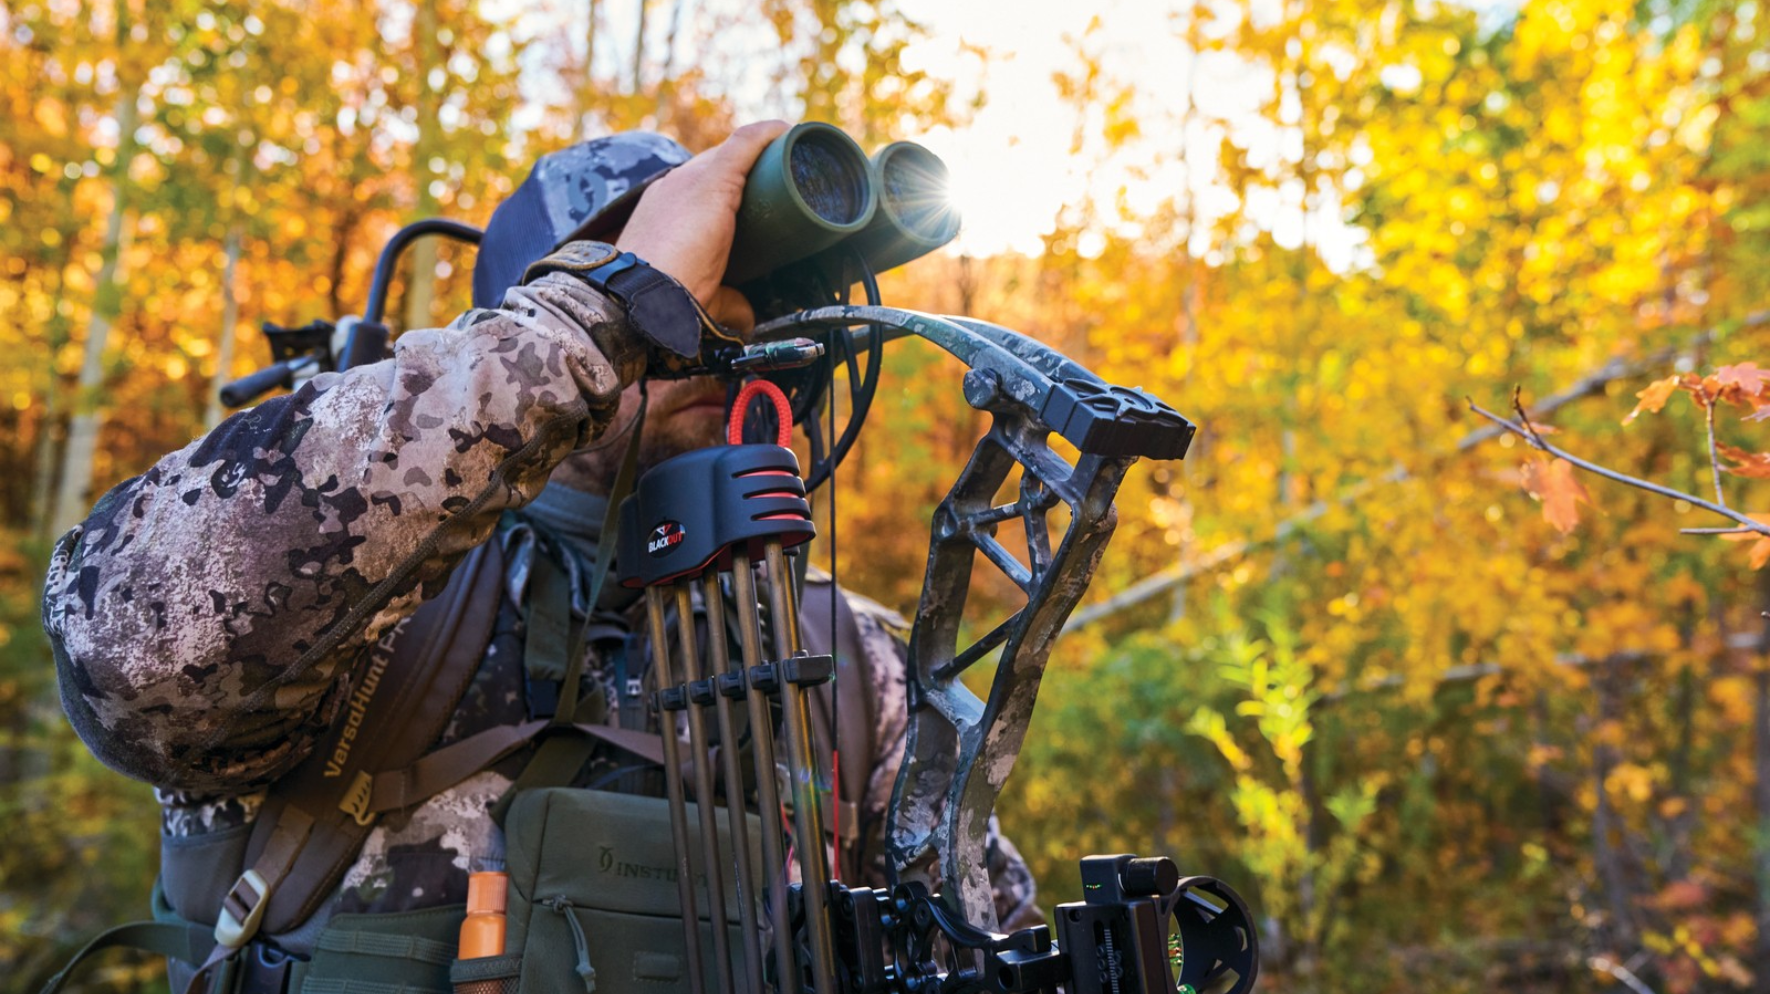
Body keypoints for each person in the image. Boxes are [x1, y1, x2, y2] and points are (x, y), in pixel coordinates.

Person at [39, 123, 1038, 987]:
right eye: (674, 317)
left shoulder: (852, 658)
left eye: (735, 328)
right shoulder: (359, 604)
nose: (710, 349)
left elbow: (983, 935)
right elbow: (129, 646)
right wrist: (588, 325)